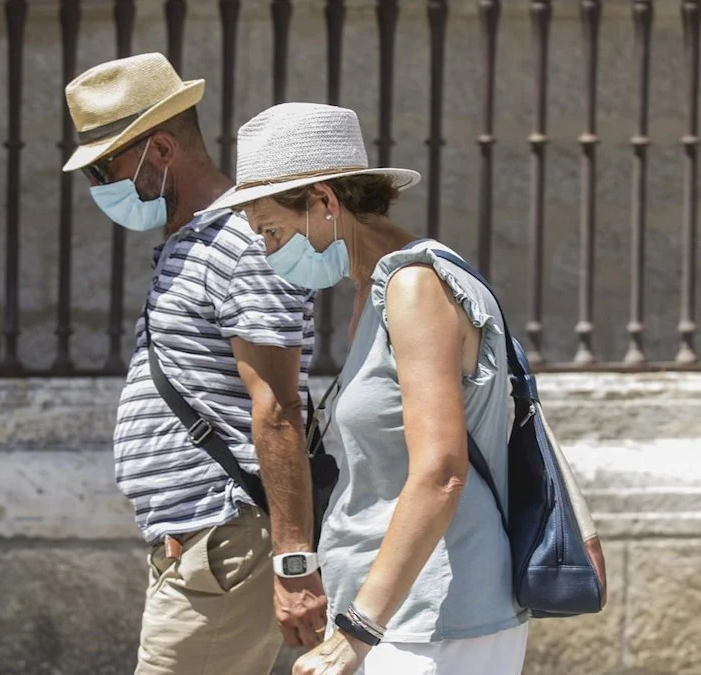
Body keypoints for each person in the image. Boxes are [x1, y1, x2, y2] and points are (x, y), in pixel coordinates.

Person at [201, 102, 529, 675]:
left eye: (272, 230)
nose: (267, 250)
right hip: (400, 612)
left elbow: (441, 471)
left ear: (326, 203)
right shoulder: (374, 294)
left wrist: (357, 632)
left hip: (431, 618)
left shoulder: (414, 287)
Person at [61, 54, 328, 675]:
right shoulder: (196, 245)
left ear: (159, 150)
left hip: (227, 535)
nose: (98, 186)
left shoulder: (238, 244)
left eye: (105, 167)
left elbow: (279, 405)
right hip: (204, 544)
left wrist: (294, 563)